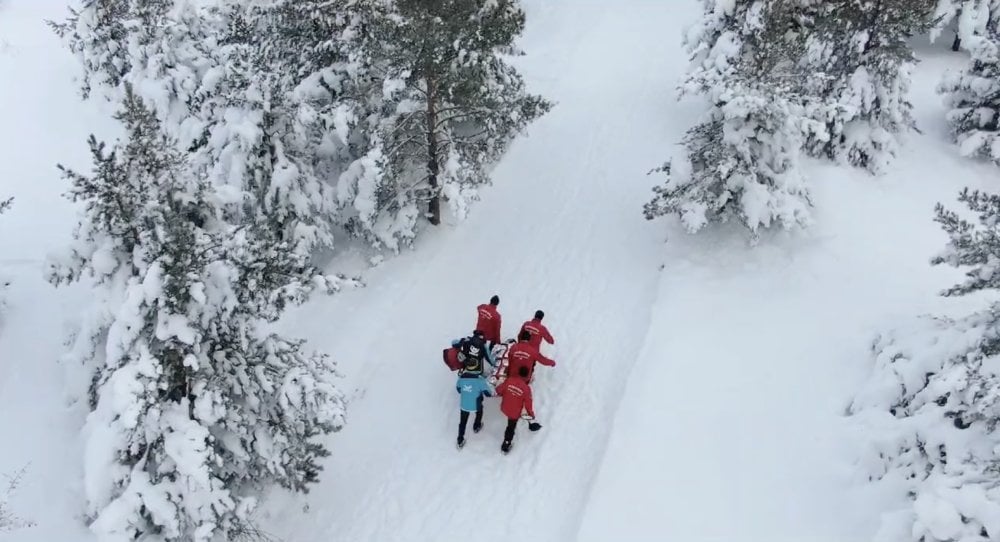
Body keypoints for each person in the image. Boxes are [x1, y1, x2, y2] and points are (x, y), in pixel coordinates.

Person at [495, 365, 538, 454]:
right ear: (527, 376)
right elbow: (528, 404)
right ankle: (506, 445)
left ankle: (506, 443)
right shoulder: (526, 389)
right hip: (514, 413)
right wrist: (531, 415)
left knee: (510, 424)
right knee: (510, 427)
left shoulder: (509, 381)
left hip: (504, 407)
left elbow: (498, 390)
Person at [456, 358, 494, 448]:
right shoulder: (480, 380)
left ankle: (460, 439)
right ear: (475, 367)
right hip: (475, 405)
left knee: (462, 422)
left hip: (464, 405)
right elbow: (488, 393)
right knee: (479, 412)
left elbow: (458, 389)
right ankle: (477, 426)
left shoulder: (461, 378)